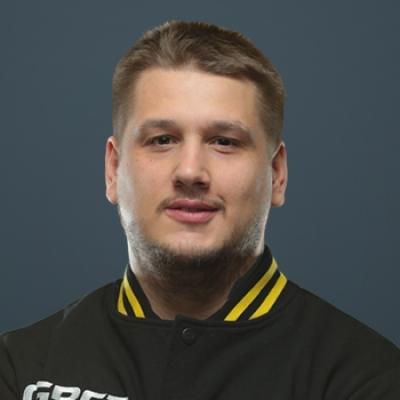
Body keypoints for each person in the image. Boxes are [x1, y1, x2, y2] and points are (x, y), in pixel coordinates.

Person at [1, 20, 399, 400]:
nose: (190, 171)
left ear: (277, 174)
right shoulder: (20, 369)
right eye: (162, 140)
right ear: (113, 170)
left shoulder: (369, 378)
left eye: (224, 141)